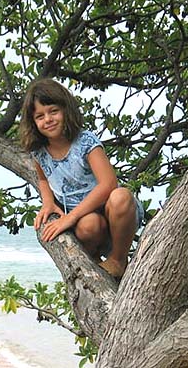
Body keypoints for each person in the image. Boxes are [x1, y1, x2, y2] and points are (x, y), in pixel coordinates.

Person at [19, 78, 144, 279]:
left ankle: (118, 260)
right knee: (88, 226)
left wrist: (71, 216)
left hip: (113, 213)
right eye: (40, 116)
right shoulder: (39, 152)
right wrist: (48, 203)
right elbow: (43, 179)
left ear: (66, 110)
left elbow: (108, 184)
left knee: (121, 196)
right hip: (88, 220)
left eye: (53, 111)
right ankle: (94, 259)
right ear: (33, 123)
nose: (48, 119)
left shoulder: (84, 142)